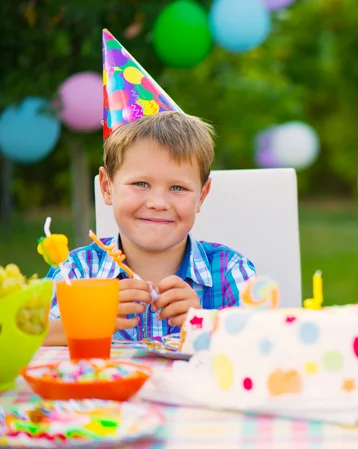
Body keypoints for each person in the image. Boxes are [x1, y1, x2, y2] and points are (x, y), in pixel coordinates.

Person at [43, 30, 255, 345]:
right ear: (107, 187)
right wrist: (88, 320)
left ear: (203, 194)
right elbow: (26, 338)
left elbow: (264, 345)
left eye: (178, 188)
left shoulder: (229, 272)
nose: (157, 202)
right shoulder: (75, 273)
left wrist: (207, 325)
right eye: (141, 183)